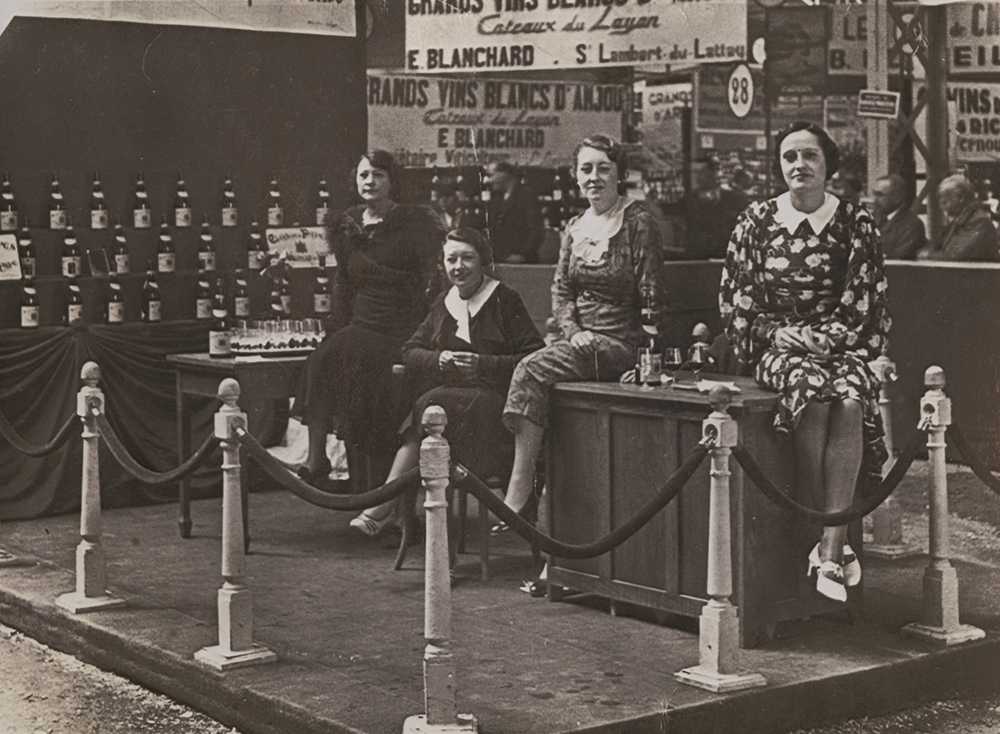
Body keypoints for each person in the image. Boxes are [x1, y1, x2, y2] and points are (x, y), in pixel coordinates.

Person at [719, 121, 891, 603]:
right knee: (812, 398)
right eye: (789, 157)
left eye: (809, 156)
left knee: (852, 400)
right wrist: (780, 333)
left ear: (827, 165)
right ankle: (832, 541)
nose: (799, 165)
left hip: (840, 343)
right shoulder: (756, 220)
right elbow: (736, 297)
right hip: (779, 348)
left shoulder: (856, 222)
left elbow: (866, 296)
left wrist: (828, 337)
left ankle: (829, 549)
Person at [499, 135, 665, 524]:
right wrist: (573, 331)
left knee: (529, 369)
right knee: (529, 372)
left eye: (604, 168)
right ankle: (540, 496)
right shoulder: (575, 226)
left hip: (620, 345)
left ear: (620, 174)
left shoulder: (638, 223)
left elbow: (653, 299)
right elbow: (561, 289)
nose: (594, 177)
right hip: (578, 343)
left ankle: (519, 490)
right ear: (575, 176)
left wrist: (645, 362)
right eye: (586, 169)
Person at [350, 228, 544, 535]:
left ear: (482, 261)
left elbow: (535, 356)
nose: (459, 266)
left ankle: (381, 507)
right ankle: (383, 507)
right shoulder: (444, 301)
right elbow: (410, 351)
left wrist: (484, 363)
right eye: (451, 259)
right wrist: (438, 358)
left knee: (429, 406)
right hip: (451, 405)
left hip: (496, 405)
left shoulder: (504, 300)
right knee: (428, 411)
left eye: (467, 258)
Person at [292, 150, 445, 484]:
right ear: (355, 181)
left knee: (353, 361)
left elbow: (430, 281)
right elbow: (344, 282)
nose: (370, 181)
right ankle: (315, 460)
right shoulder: (346, 223)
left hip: (399, 325)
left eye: (378, 174)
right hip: (361, 323)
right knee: (322, 359)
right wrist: (336, 326)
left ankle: (372, 481)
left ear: (392, 181)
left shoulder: (414, 223)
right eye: (363, 175)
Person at [674, 155, 749, 260]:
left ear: (713, 172)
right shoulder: (687, 201)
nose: (698, 177)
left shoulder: (736, 199)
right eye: (694, 173)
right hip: (696, 260)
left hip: (727, 259)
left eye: (701, 172)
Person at [918, 174, 1000, 262]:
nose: (942, 204)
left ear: (960, 198)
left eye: (946, 198)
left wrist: (929, 255)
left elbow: (957, 255)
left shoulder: (979, 221)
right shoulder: (963, 219)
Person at [484, 160, 545, 264]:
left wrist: (522, 255)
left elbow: (536, 230)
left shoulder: (526, 195)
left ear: (504, 174)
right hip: (500, 261)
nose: (487, 181)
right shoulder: (497, 198)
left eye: (491, 175)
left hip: (522, 264)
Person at [871, 174, 926, 260]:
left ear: (896, 198)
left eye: (880, 195)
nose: (874, 200)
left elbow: (898, 258)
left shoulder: (912, 225)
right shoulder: (873, 219)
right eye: (874, 194)